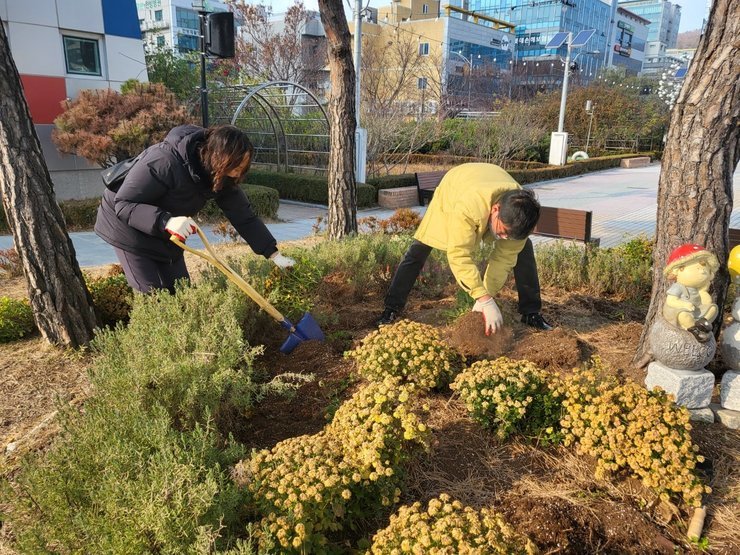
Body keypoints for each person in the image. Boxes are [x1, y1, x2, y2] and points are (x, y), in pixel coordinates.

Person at [95, 124, 295, 294]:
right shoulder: (163, 161)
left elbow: (244, 216)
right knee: (153, 295)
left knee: (183, 292)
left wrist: (273, 254)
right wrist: (166, 221)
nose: (237, 174)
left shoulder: (221, 177)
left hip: (167, 230)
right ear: (217, 158)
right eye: (234, 167)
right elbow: (125, 203)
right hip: (127, 226)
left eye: (242, 168)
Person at [378, 163, 552, 335]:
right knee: (420, 248)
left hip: (486, 179)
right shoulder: (468, 207)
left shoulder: (522, 212)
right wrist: (482, 297)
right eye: (504, 231)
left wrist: (486, 295)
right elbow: (459, 255)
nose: (504, 237)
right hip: (455, 188)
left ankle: (531, 312)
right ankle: (391, 308)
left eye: (510, 235)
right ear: (496, 210)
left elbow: (503, 260)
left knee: (523, 249)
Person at [662, 243, 719, 342]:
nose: (703, 272)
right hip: (680, 309)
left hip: (696, 310)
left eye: (705, 269)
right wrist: (683, 304)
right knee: (683, 315)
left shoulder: (698, 289)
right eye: (697, 269)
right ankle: (693, 329)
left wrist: (704, 292)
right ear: (679, 270)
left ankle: (702, 323)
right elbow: (671, 300)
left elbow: (706, 302)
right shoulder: (678, 286)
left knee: (713, 308)